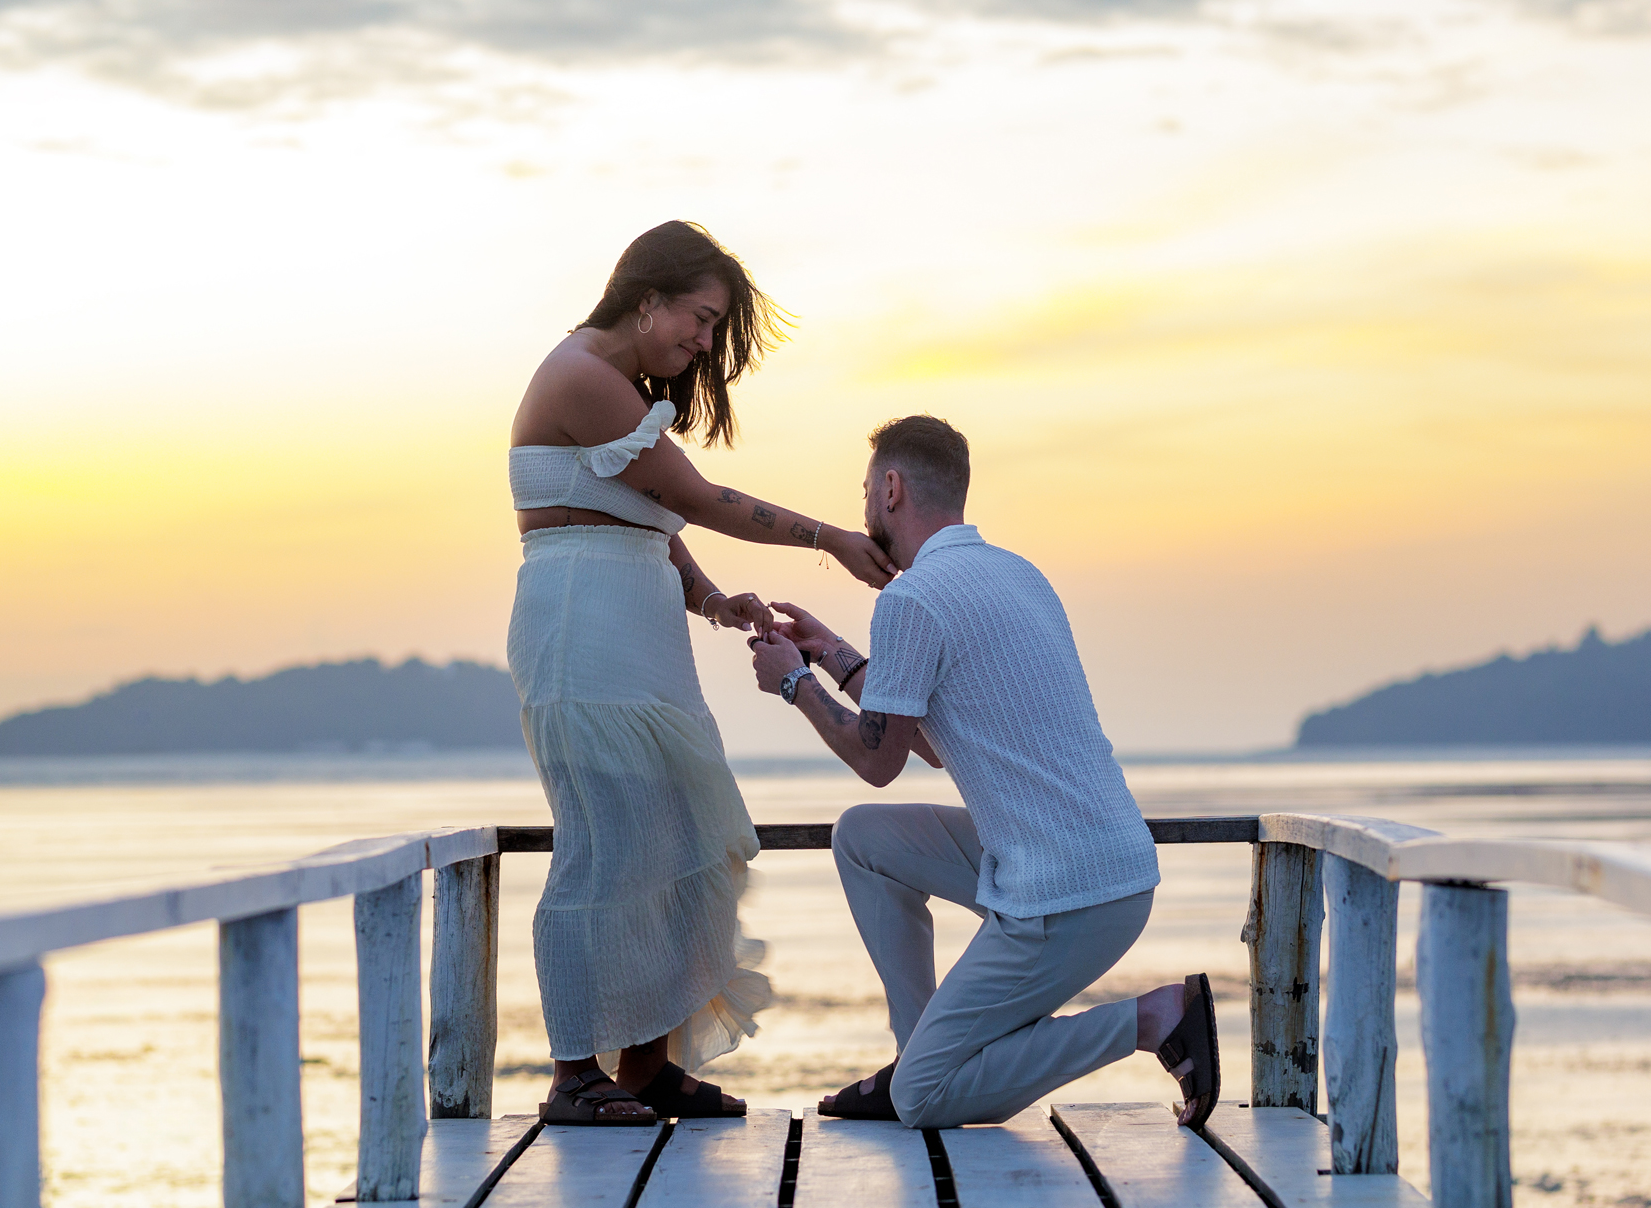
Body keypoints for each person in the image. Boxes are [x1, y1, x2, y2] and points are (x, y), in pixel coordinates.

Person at [508, 221, 898, 1127]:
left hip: (642, 643)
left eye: (715, 326)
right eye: (701, 317)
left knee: (684, 835)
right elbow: (691, 497)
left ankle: (645, 1068)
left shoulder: (618, 393)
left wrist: (715, 601)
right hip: (581, 636)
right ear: (647, 300)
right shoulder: (579, 376)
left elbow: (651, 523)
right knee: (606, 846)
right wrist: (829, 538)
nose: (705, 341)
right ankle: (574, 1075)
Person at [745, 415, 1219, 1130]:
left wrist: (793, 684)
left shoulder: (911, 599)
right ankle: (917, 1051)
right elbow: (932, 742)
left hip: (1067, 893)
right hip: (1098, 860)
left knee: (924, 1099)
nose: (865, 506)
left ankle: (1152, 1020)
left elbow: (878, 760)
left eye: (866, 491)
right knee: (864, 840)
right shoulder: (1018, 574)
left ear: (892, 488)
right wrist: (832, 653)